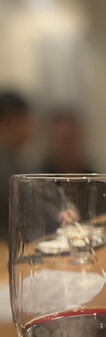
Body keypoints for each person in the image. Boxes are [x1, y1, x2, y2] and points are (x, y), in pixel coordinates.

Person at [0, 91, 33, 242]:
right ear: (9, 122)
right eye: (26, 120)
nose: (31, 128)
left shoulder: (13, 159)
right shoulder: (5, 165)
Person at [40, 110, 95, 175]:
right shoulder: (40, 177)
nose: (67, 147)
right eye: (63, 140)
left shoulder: (93, 177)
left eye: (71, 139)